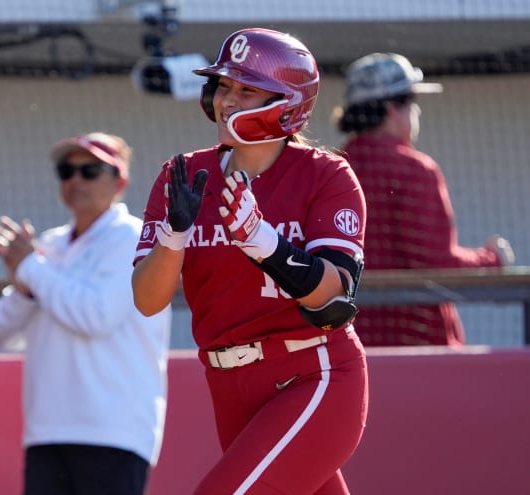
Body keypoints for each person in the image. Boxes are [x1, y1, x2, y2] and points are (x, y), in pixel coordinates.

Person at [132, 28, 368, 495]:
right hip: (228, 384)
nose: (226, 101)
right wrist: (173, 235)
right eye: (223, 86)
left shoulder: (326, 174)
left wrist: (261, 240)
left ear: (287, 101)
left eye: (246, 90)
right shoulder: (182, 175)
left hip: (313, 372)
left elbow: (337, 295)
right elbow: (146, 300)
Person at [0, 132, 171, 495]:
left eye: (91, 170)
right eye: (66, 170)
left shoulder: (134, 238)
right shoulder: (49, 245)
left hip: (114, 431)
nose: (75, 180)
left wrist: (31, 270)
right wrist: (25, 288)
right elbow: (2, 333)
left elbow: (96, 316)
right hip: (46, 430)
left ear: (121, 181)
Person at [333, 52, 515, 346]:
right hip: (417, 345)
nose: (416, 113)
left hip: (344, 346)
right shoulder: (414, 170)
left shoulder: (330, 167)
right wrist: (491, 260)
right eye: (412, 103)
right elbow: (437, 264)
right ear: (393, 107)